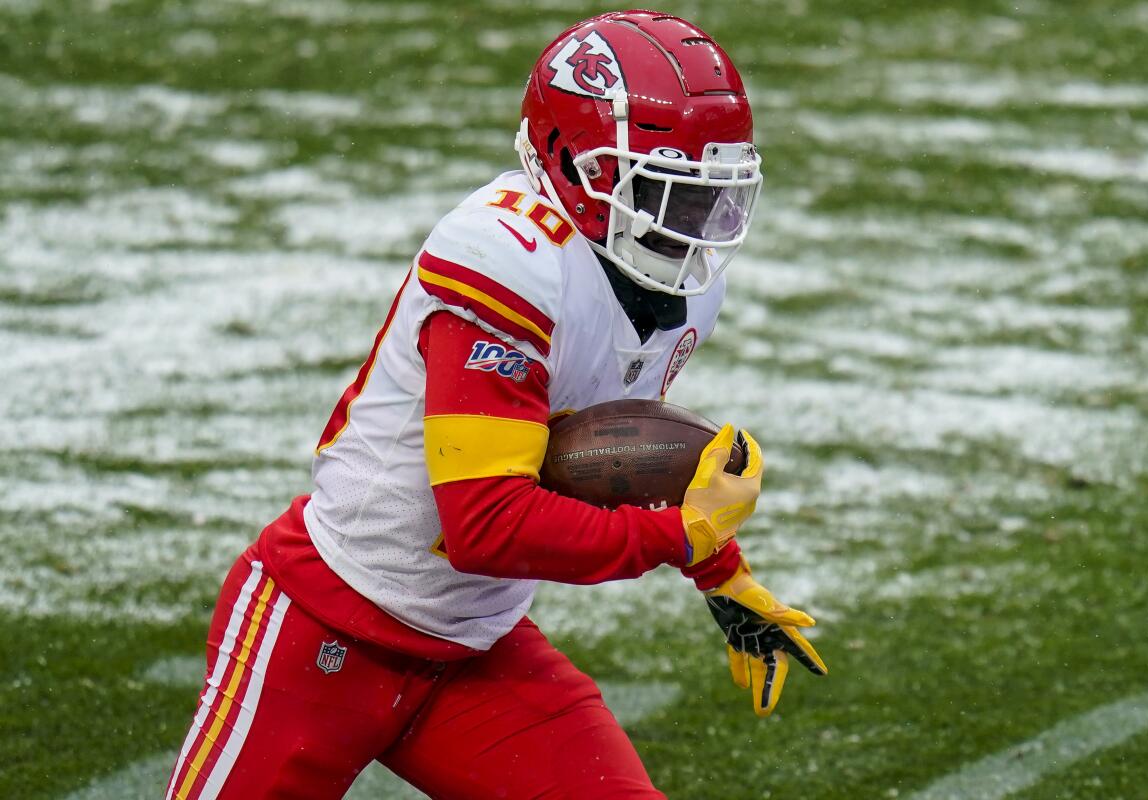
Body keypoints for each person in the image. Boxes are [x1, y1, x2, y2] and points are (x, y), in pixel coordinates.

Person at [164, 10, 826, 800]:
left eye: (706, 197)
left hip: (473, 651)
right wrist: (678, 540)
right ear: (579, 165)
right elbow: (485, 523)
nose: (691, 226)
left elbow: (594, 455)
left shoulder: (677, 286)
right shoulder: (508, 259)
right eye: (670, 193)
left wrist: (720, 569)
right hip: (326, 626)